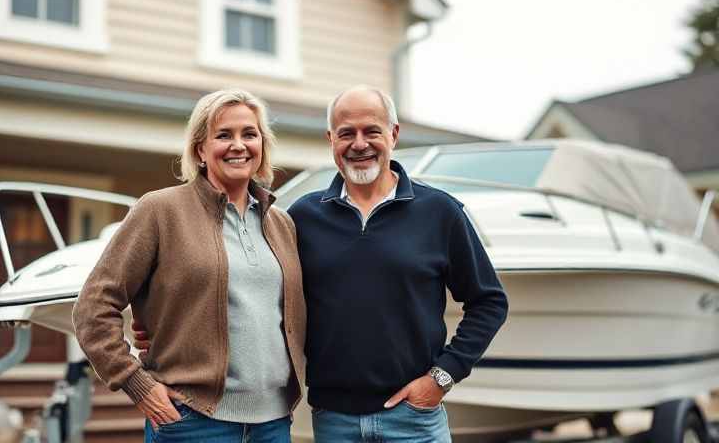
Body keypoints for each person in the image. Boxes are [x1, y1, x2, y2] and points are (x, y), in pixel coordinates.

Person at [136, 85, 508, 442]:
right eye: (346, 133)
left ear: (394, 134)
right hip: (333, 421)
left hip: (414, 419)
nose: (359, 144)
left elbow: (489, 302)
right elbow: (259, 295)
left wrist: (442, 378)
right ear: (331, 140)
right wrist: (160, 328)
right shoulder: (301, 217)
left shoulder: (439, 212)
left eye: (371, 131)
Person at [72, 89, 306, 443]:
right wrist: (137, 384)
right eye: (223, 135)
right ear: (200, 150)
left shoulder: (281, 224)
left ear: (262, 145)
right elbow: (92, 307)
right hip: (192, 422)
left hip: (273, 424)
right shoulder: (160, 211)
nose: (238, 145)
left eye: (249, 134)